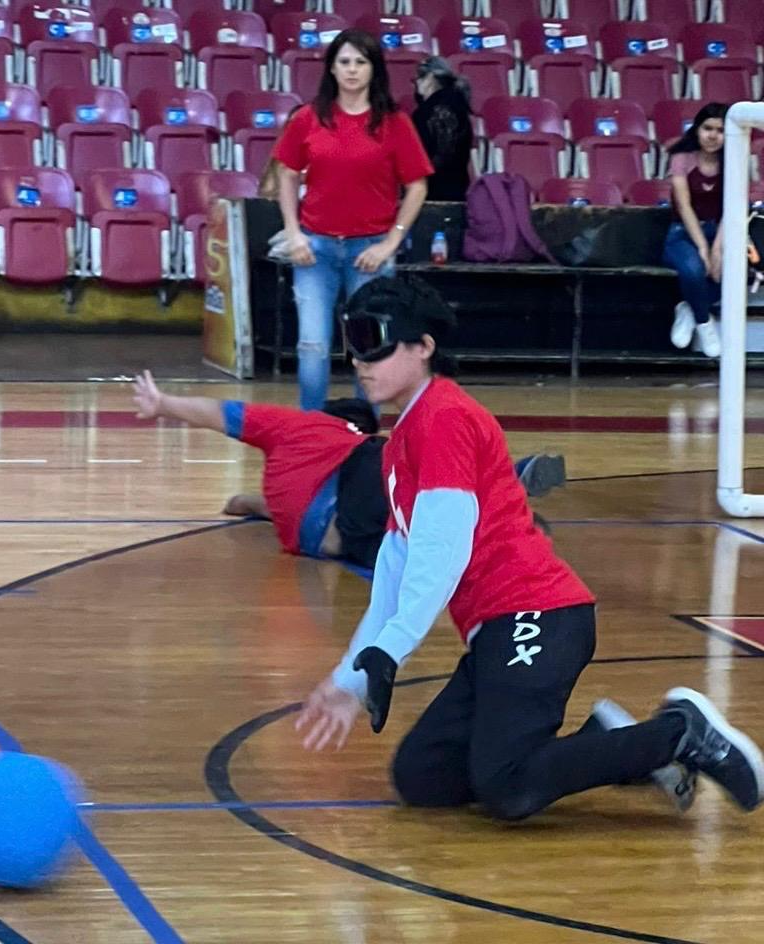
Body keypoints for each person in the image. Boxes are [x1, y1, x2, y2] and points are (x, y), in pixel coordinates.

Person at [295, 274, 764, 820]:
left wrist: (393, 646)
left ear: (423, 347)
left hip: (536, 617)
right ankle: (609, 743)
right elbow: (395, 571)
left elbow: (441, 555)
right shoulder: (402, 439)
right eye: (351, 343)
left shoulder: (445, 418)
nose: (359, 360)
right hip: (496, 631)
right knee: (423, 775)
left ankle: (678, 734)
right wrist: (350, 681)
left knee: (507, 786)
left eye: (373, 341)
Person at [128, 368, 566, 570]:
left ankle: (496, 529)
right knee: (416, 462)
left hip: (327, 539)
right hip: (357, 494)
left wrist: (164, 404)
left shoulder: (288, 448)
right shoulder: (336, 434)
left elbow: (218, 415)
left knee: (424, 546)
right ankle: (503, 484)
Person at [274, 29, 433, 411]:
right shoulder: (308, 118)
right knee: (312, 345)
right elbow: (287, 174)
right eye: (344, 61)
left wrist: (391, 243)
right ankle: (312, 429)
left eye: (361, 62)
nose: (352, 70)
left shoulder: (395, 123)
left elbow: (417, 186)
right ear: (331, 68)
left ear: (373, 69)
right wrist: (293, 233)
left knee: (372, 346)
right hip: (315, 248)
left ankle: (366, 430)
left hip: (371, 251)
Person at [664, 102, 728, 359]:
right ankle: (703, 321)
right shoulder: (682, 158)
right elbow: (684, 205)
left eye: (720, 131)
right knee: (693, 269)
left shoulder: (734, 160)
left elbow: (732, 208)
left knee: (736, 271)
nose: (713, 136)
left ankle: (688, 309)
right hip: (683, 231)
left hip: (720, 230)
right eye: (707, 128)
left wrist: (717, 249)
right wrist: (702, 246)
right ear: (697, 129)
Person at [410, 56, 474, 202]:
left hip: (430, 192)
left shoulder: (429, 111)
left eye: (419, 77)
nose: (417, 82)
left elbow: (437, 154)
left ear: (430, 77)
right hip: (457, 190)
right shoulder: (459, 105)